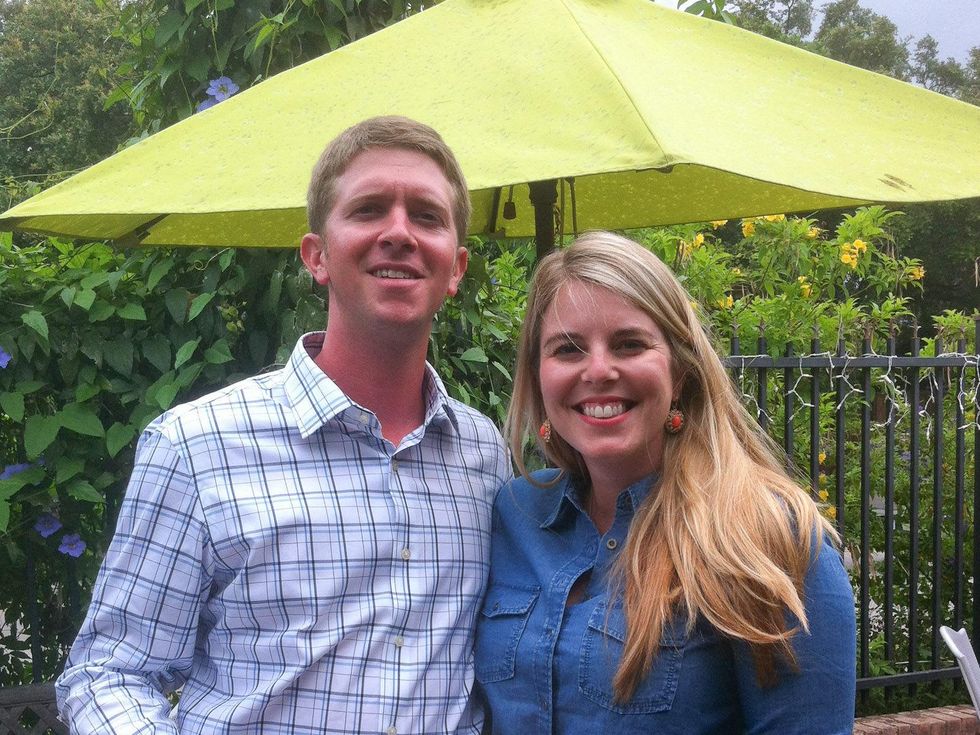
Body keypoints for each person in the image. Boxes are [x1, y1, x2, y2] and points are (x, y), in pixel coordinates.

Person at [57, 116, 511, 734]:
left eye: (427, 216)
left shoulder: (482, 453)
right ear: (316, 256)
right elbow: (107, 673)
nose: (399, 232)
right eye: (370, 209)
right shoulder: (197, 447)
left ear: (455, 269)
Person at [474, 231, 856, 733]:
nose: (598, 370)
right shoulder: (513, 513)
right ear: (538, 377)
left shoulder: (766, 538)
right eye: (567, 350)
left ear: (679, 372)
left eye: (629, 344)